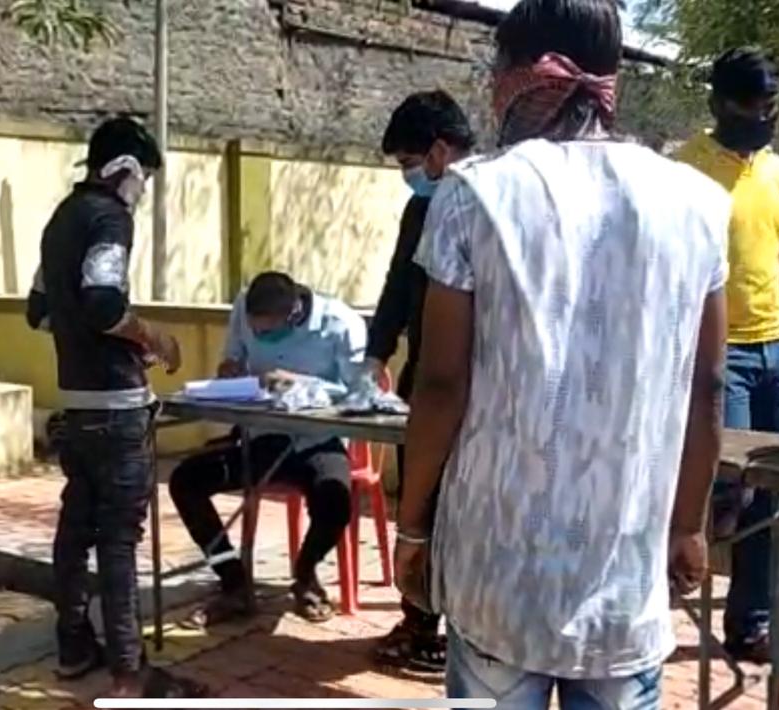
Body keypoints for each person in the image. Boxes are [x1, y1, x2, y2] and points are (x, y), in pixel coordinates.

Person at [393, 1, 732, 707]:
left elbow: (441, 383)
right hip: (623, 575)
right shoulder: (698, 203)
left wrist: (415, 526)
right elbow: (707, 386)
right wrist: (688, 525)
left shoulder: (474, 195)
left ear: (519, 77)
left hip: (499, 572)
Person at [675, 47, 779, 677]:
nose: (761, 117)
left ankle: (752, 627)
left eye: (770, 106)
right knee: (724, 486)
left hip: (777, 353)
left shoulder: (777, 173)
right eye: (748, 105)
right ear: (717, 103)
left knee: (772, 499)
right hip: (721, 354)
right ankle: (665, 585)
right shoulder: (686, 171)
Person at [40, 116, 181, 698]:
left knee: (76, 528)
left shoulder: (60, 220)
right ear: (124, 169)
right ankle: (129, 671)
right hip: (118, 408)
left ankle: (73, 646)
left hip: (75, 402)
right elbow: (101, 302)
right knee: (119, 539)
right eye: (143, 177)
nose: (142, 190)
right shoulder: (109, 218)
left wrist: (109, 340)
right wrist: (150, 337)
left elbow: (41, 310)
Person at [170, 271, 367, 626]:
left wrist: (300, 382)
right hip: (260, 437)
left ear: (293, 314)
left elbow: (358, 391)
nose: (259, 336)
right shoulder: (243, 307)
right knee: (186, 481)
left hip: (317, 439)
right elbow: (233, 356)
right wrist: (230, 369)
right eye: (254, 329)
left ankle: (305, 574)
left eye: (267, 331)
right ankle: (232, 580)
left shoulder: (340, 323)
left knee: (335, 499)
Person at [368, 89, 474, 673]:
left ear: (438, 152)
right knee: (419, 499)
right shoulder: (420, 210)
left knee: (463, 510)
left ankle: (466, 628)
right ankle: (419, 621)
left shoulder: (492, 202)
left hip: (478, 384)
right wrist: (376, 353)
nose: (407, 176)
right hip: (421, 377)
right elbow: (397, 283)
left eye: (409, 163)